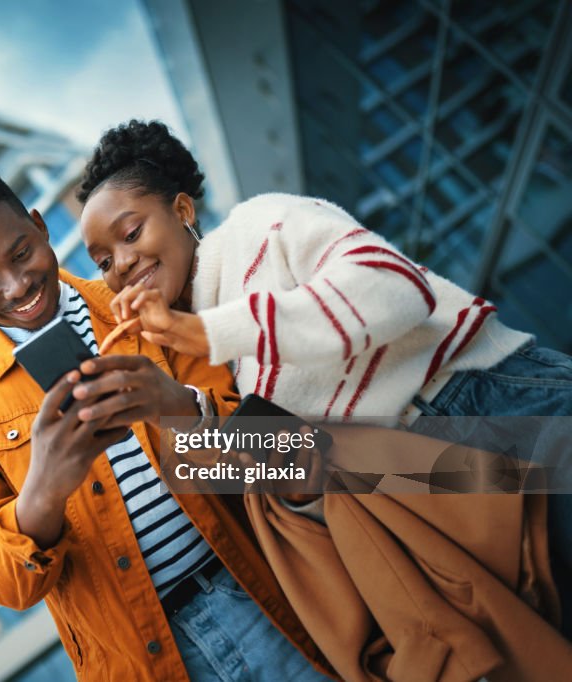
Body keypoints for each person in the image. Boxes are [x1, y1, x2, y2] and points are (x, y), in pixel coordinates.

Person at [76, 118, 572, 636]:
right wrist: (177, 411)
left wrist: (202, 332)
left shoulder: (257, 226)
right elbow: (317, 468)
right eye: (104, 261)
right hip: (438, 478)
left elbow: (397, 288)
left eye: (131, 233)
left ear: (181, 210)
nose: (123, 262)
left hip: (484, 401)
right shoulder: (215, 354)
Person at [0, 163, 334, 680]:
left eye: (22, 253)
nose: (18, 286)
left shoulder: (143, 301)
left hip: (265, 598)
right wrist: (41, 492)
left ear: (41, 226)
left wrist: (179, 408)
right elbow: (0, 583)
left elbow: (285, 461)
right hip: (143, 661)